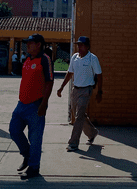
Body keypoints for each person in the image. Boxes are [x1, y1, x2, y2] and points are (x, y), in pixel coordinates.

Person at [9, 33, 54, 179]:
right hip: (21, 104)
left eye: (30, 43)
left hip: (36, 105)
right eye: (27, 43)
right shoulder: (27, 59)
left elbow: (49, 82)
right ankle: (27, 155)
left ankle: (34, 167)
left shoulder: (45, 59)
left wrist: (44, 103)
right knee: (14, 130)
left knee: (35, 138)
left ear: (39, 44)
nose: (27, 45)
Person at [56, 36, 103, 152]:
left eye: (82, 45)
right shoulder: (74, 58)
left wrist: (99, 91)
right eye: (78, 45)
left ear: (87, 47)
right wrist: (61, 87)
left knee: (78, 117)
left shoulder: (93, 58)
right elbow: (70, 73)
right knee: (79, 116)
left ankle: (73, 143)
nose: (79, 47)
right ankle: (92, 133)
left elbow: (99, 75)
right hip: (75, 90)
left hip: (86, 90)